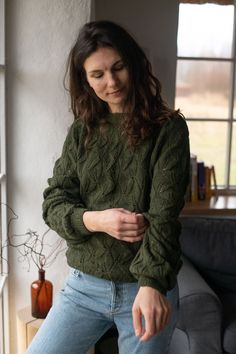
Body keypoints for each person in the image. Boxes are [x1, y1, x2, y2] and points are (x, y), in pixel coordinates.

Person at [26, 20, 190, 354]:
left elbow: (163, 217)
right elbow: (54, 202)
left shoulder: (169, 129)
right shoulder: (81, 131)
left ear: (134, 64)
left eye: (118, 68)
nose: (111, 82)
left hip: (144, 287)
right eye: (97, 75)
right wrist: (97, 220)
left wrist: (152, 284)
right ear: (85, 80)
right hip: (83, 287)